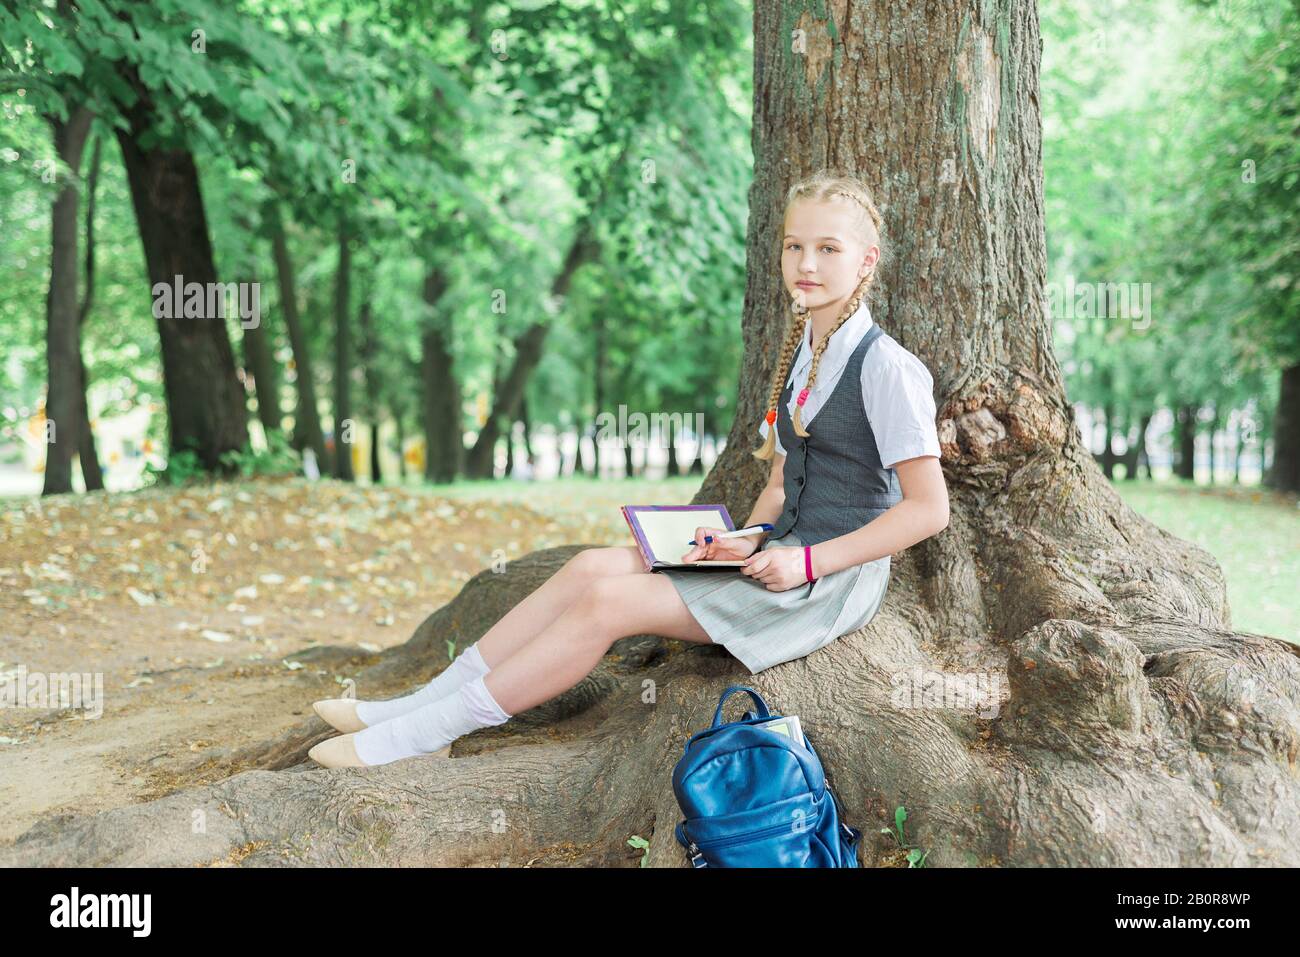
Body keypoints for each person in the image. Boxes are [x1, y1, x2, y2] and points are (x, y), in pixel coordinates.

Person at [307, 170, 949, 768]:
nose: (806, 265)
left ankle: (425, 733)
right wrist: (745, 539)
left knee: (608, 602)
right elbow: (781, 485)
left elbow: (927, 510)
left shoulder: (886, 367)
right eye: (793, 247)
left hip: (828, 582)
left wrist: (803, 563)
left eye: (828, 249)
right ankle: (418, 704)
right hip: (775, 551)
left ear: (865, 261)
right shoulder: (802, 351)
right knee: (589, 566)